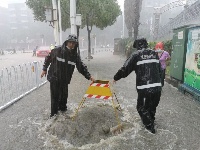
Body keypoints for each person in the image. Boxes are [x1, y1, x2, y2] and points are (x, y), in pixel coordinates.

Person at [113, 38, 162, 134]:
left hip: (144, 89)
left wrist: (116, 77)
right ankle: (151, 123)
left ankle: (150, 131)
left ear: (137, 46)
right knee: (151, 108)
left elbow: (125, 69)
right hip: (157, 88)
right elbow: (160, 70)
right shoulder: (154, 53)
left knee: (141, 107)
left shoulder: (136, 55)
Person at [41, 34, 95, 117]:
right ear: (66, 42)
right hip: (54, 78)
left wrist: (89, 76)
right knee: (55, 98)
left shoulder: (75, 56)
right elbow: (48, 58)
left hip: (65, 80)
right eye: (70, 42)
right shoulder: (57, 50)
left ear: (76, 44)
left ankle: (63, 115)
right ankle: (54, 116)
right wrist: (44, 69)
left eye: (74, 43)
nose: (72, 44)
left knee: (64, 98)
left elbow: (81, 67)